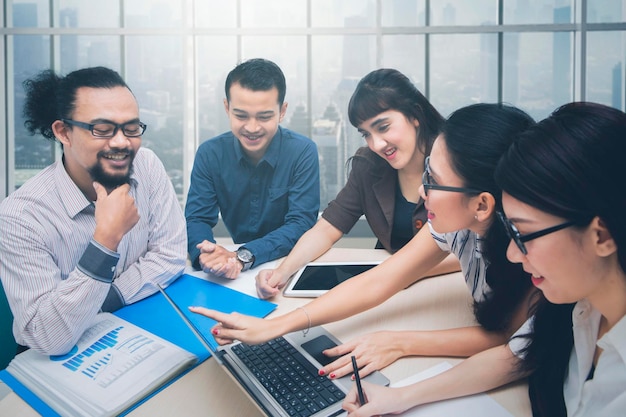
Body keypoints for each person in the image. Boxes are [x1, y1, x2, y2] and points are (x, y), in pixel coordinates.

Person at [191, 103, 536, 379]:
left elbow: (511, 337)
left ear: (482, 204)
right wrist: (277, 326)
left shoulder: (534, 259)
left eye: (434, 181)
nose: (422, 190)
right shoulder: (456, 226)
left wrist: (400, 343)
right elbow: (380, 279)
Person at [342, 102, 626, 417]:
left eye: (525, 234)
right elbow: (515, 355)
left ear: (601, 235)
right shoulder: (578, 310)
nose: (512, 254)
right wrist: (401, 397)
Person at [0, 66, 187, 355]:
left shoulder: (147, 165)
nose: (122, 142)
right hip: (57, 362)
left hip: (136, 329)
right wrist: (105, 239)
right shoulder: (20, 217)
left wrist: (98, 302)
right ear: (64, 132)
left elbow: (170, 256)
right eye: (102, 129)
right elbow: (48, 337)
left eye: (131, 128)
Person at [256, 68, 459, 299]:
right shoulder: (368, 166)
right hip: (386, 288)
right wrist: (280, 273)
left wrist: (403, 272)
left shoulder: (453, 162)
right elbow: (327, 228)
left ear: (414, 115)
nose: (377, 144)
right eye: (366, 134)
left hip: (441, 287)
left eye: (383, 128)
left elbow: (470, 247)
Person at [185, 58, 320, 280]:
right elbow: (197, 218)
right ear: (227, 108)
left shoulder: (302, 151)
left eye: (265, 117)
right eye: (241, 116)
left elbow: (301, 224)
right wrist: (206, 255)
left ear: (282, 111)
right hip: (233, 269)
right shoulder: (210, 154)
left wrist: (244, 256)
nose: (252, 127)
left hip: (288, 264)